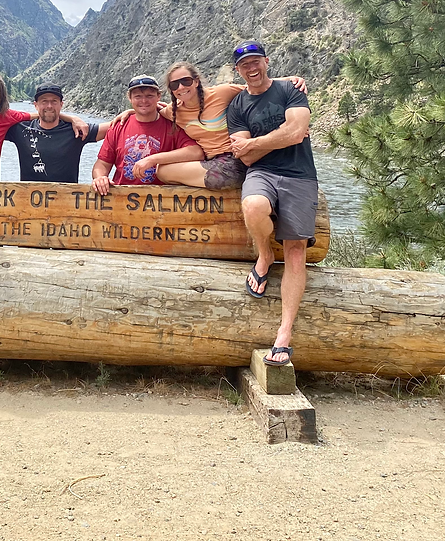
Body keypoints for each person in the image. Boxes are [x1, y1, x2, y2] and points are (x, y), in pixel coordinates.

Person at [226, 40, 317, 368]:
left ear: (266, 60)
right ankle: (265, 254)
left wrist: (257, 141)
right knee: (252, 206)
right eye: (244, 64)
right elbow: (247, 156)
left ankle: (283, 335)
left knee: (296, 251)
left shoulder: (291, 90)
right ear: (237, 70)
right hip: (261, 173)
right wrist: (284, 134)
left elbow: (297, 133)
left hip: (300, 176)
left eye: (255, 61)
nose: (251, 68)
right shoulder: (237, 106)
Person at [131, 62, 307, 190]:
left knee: (162, 170)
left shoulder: (222, 93)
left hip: (235, 161)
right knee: (162, 171)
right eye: (175, 84)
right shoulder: (173, 111)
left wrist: (288, 82)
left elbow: (255, 88)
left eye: (185, 81)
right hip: (210, 161)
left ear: (196, 81)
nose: (181, 87)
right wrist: (129, 113)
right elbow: (150, 110)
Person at [91, 75, 203, 194]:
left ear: (158, 96)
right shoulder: (118, 126)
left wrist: (152, 160)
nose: (144, 101)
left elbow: (196, 152)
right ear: (130, 98)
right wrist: (100, 178)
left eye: (149, 96)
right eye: (138, 96)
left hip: (161, 201)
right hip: (121, 199)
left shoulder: (173, 125)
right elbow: (102, 164)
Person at [6, 82, 110, 183]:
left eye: (54, 101)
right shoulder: (21, 129)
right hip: (29, 199)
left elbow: (112, 128)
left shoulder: (77, 130)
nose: (49, 106)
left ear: (61, 104)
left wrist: (126, 113)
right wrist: (71, 117)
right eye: (44, 101)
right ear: (36, 105)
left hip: (66, 199)